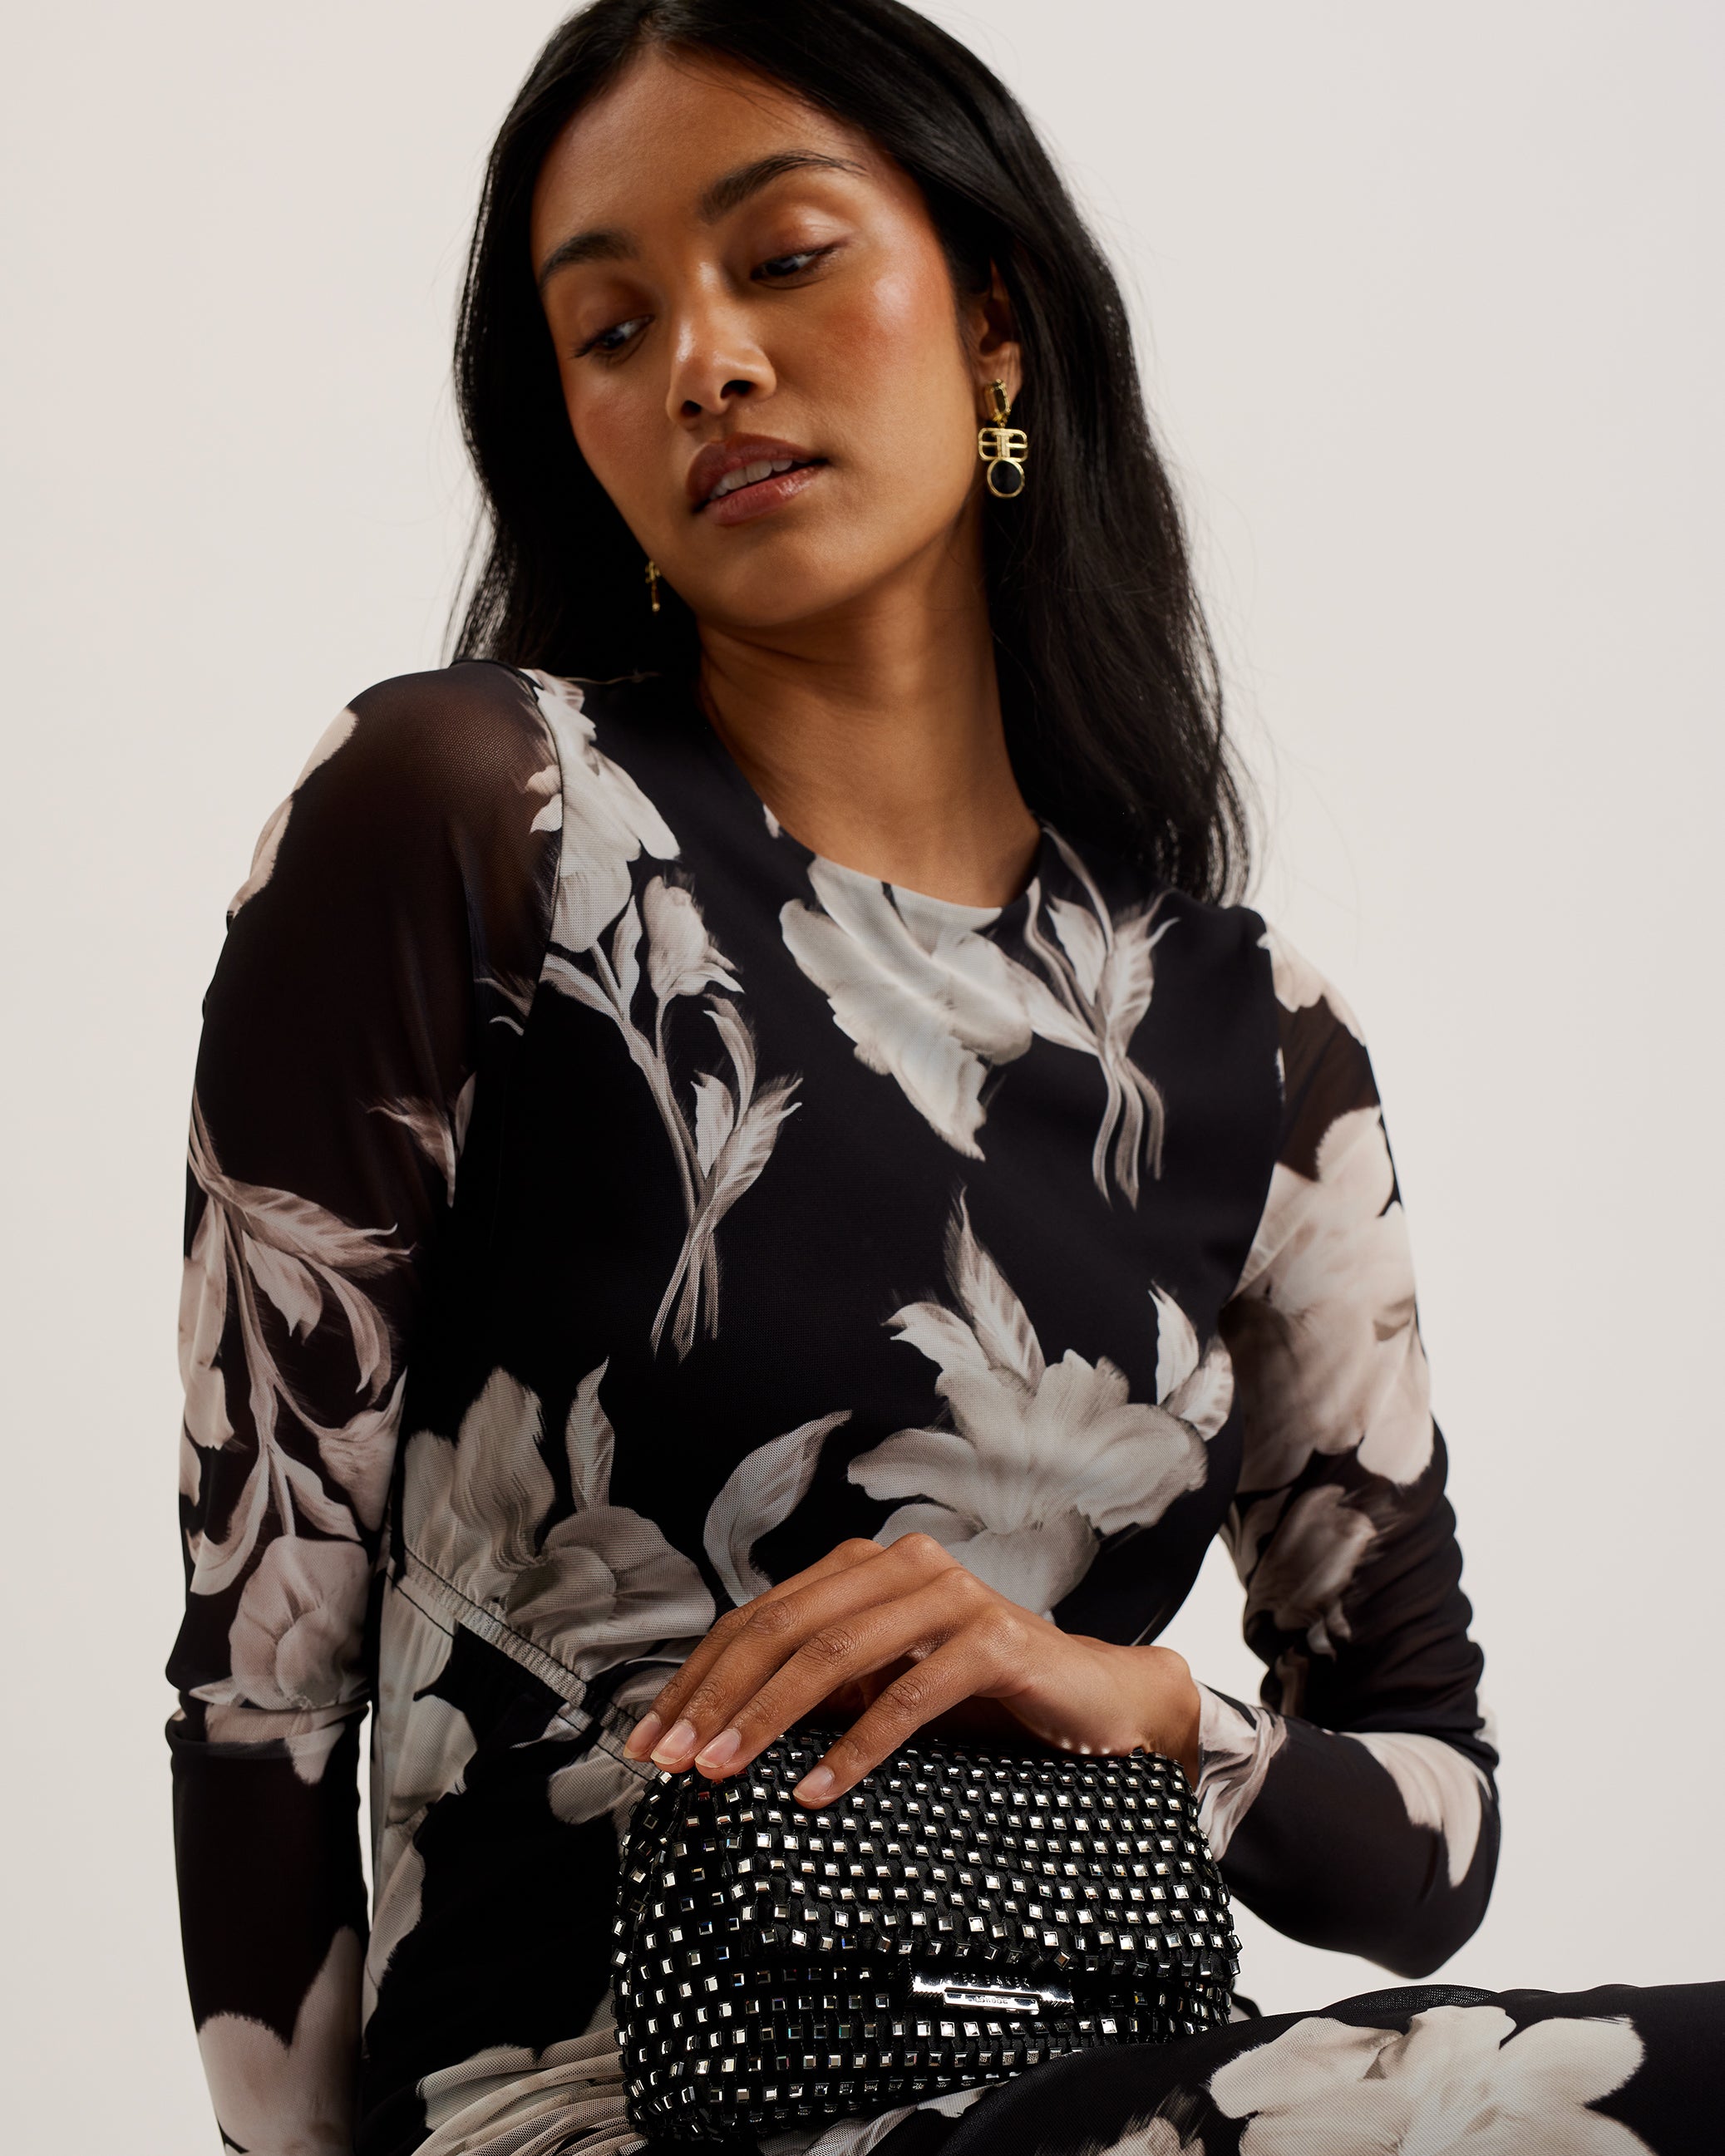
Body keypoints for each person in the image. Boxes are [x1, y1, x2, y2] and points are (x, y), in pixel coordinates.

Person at [165, 3, 1717, 2152]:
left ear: (996, 324)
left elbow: (1430, 1830)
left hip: (1089, 2071)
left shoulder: (1253, 1040)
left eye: (783, 258)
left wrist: (1138, 1704)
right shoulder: (473, 815)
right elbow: (258, 1679)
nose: (704, 360)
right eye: (610, 329)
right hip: (596, 2102)